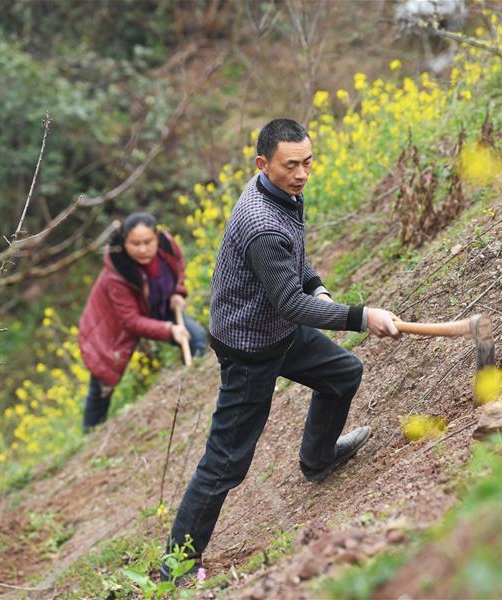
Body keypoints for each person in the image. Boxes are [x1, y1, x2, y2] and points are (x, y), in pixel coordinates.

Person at [162, 118, 401, 579]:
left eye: (308, 162)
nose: (302, 173)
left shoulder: (281, 193)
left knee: (342, 373)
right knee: (226, 462)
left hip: (275, 329)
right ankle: (176, 565)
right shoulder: (261, 223)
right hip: (249, 347)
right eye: (291, 165)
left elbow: (294, 261)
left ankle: (318, 459)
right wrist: (361, 317)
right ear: (263, 164)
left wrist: (319, 287)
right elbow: (290, 303)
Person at [77, 212, 206, 432]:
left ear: (157, 237)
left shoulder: (167, 245)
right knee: (102, 383)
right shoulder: (117, 274)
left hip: (159, 307)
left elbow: (179, 266)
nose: (143, 249)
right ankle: (91, 435)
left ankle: (194, 392)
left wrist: (178, 292)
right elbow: (130, 320)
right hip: (111, 328)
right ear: (124, 242)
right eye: (135, 244)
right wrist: (169, 330)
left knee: (197, 338)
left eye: (148, 242)